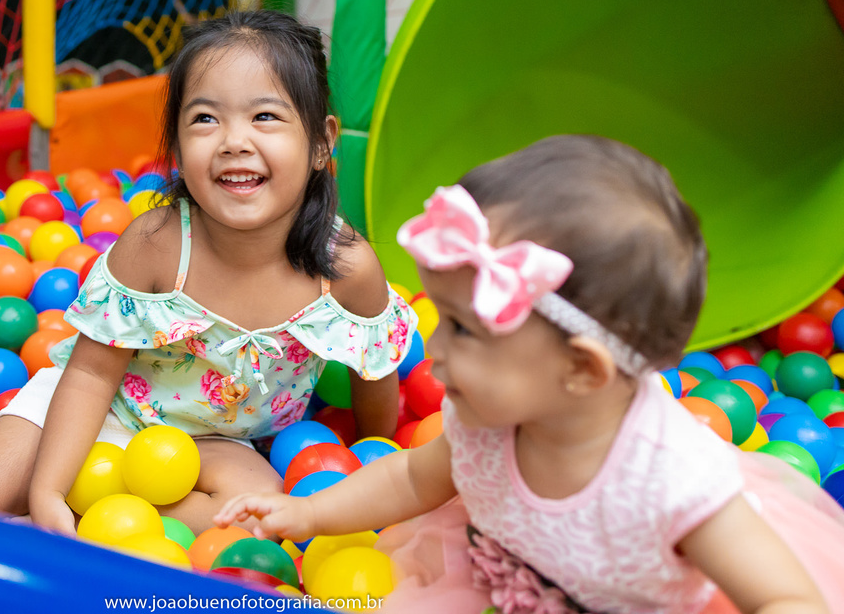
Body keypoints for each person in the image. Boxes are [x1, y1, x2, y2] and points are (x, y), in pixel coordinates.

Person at [217, 135, 844, 613]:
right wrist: (309, 515)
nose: (433, 350)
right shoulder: (487, 419)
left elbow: (786, 599)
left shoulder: (670, 483)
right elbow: (412, 478)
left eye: (464, 329)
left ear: (580, 368)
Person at [0, 9, 416, 535]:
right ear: (177, 147)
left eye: (265, 117)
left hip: (215, 444)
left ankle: (94, 520)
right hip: (102, 411)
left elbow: (375, 374)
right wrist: (50, 490)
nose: (234, 141)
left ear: (322, 142)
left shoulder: (344, 267)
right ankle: (66, 515)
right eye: (205, 119)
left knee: (262, 517)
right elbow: (91, 375)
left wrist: (371, 453)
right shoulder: (158, 243)